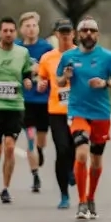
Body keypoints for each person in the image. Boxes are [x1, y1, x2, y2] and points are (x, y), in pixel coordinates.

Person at [55, 16, 111, 220]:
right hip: (78, 112)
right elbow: (59, 82)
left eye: (92, 31)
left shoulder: (107, 56)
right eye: (84, 30)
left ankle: (91, 196)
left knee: (95, 160)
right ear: (78, 35)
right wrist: (65, 77)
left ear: (97, 35)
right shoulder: (68, 56)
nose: (88, 34)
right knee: (82, 154)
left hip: (101, 114)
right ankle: (81, 202)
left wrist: (105, 83)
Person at [0, 17, 35, 204]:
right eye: (5, 30)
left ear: (15, 33)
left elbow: (27, 73)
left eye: (12, 30)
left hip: (15, 106)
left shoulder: (23, 53)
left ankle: (5, 188)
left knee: (10, 147)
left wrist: (27, 81)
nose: (8, 34)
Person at [36, 19, 78, 209]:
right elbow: (41, 77)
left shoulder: (81, 54)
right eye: (62, 32)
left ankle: (71, 169)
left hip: (78, 110)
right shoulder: (48, 58)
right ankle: (64, 194)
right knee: (62, 150)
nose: (65, 35)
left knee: (76, 148)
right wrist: (41, 83)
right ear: (56, 34)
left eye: (68, 32)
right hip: (57, 111)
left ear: (74, 34)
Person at [16, 11, 55, 193]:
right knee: (30, 139)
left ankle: (39, 150)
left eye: (34, 26)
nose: (31, 29)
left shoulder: (46, 48)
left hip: (44, 100)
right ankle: (35, 175)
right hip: (25, 100)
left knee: (41, 139)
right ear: (21, 29)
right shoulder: (17, 48)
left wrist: (40, 71)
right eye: (27, 26)